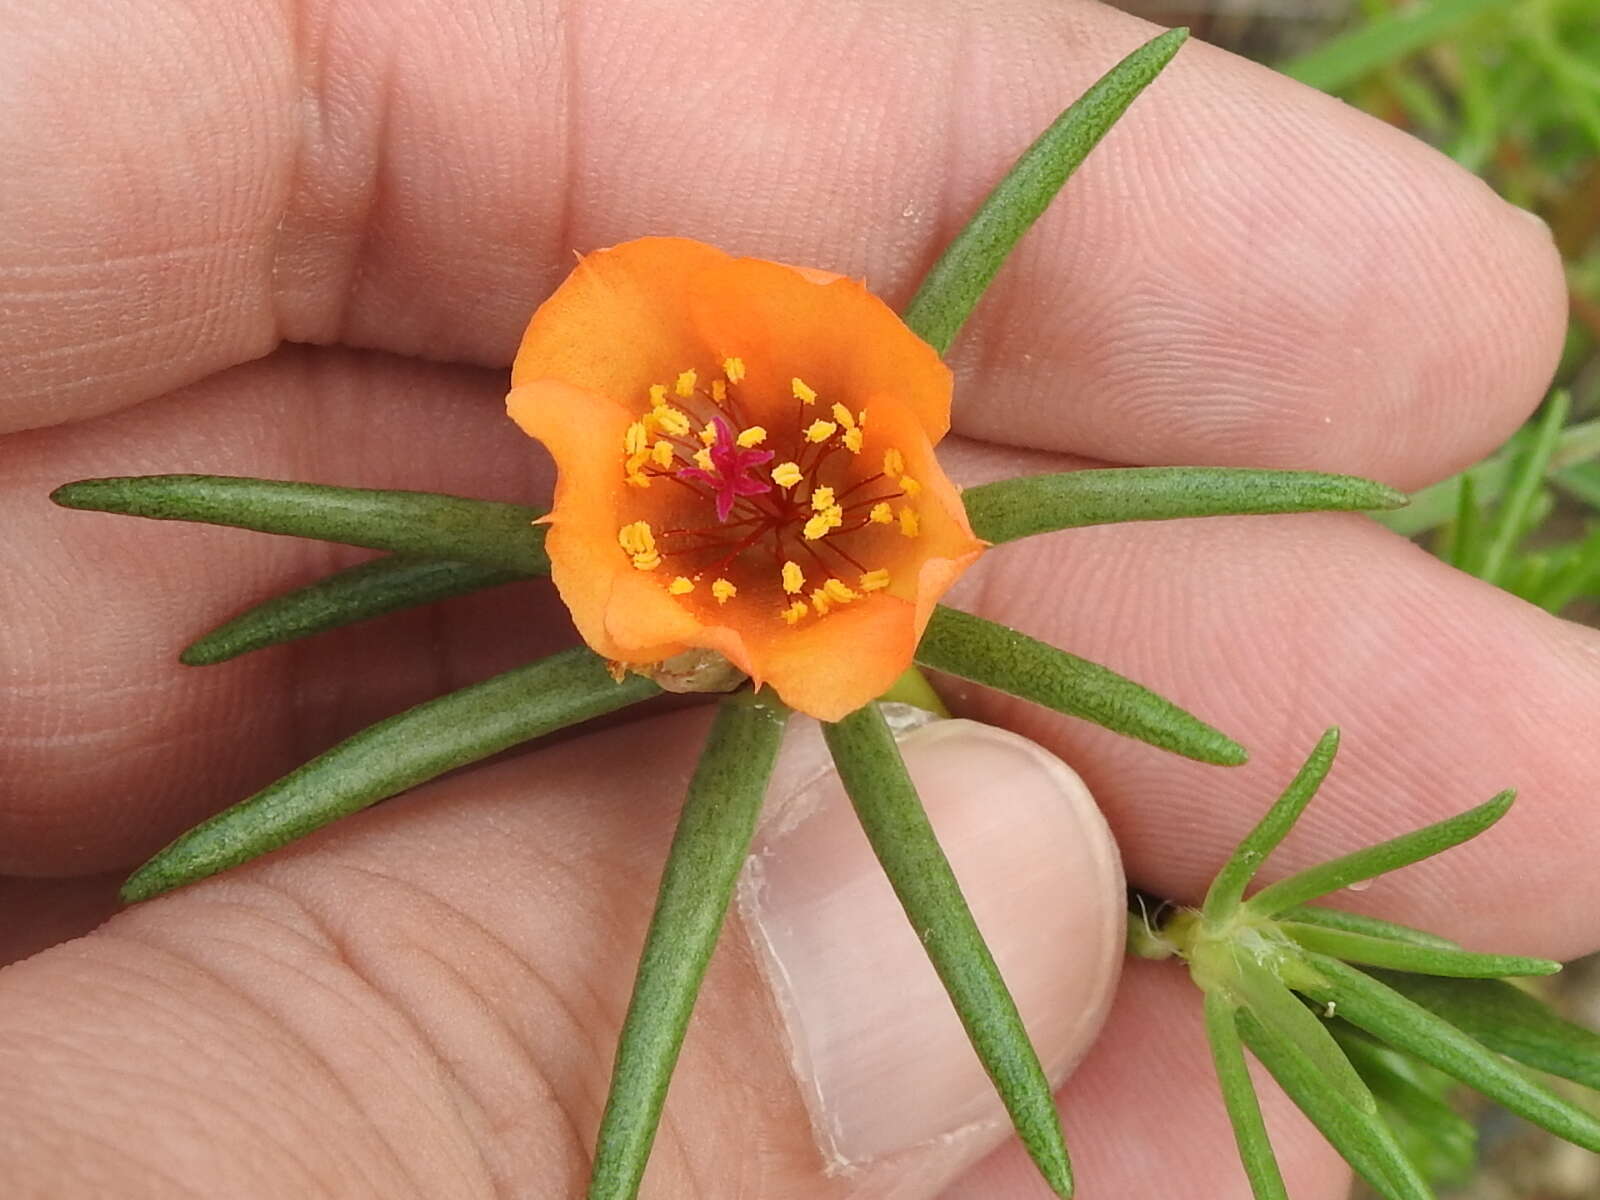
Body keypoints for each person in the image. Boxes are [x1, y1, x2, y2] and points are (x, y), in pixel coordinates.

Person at [0, 1, 1587, 1195]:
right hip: (715, 626)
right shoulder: (662, 527)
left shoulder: (866, 460)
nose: (759, 492)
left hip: (851, 611)